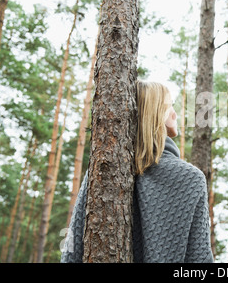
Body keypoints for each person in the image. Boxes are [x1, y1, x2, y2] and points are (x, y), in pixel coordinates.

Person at [61, 81, 214, 263]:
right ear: (154, 112)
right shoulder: (190, 178)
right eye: (169, 105)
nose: (175, 113)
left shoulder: (103, 167)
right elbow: (199, 258)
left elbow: (72, 248)